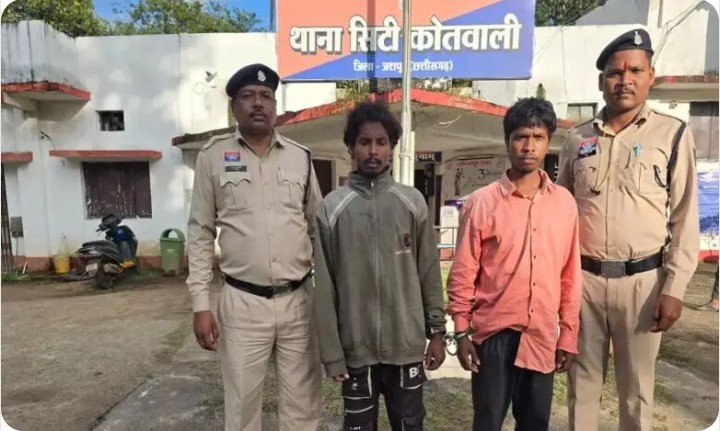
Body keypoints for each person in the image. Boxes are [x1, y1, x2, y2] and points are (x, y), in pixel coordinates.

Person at [557, 29, 700, 430]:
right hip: (584, 283)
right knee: (581, 391)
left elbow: (685, 216)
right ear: (601, 80)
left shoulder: (672, 134)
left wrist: (674, 288)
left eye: (635, 70)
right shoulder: (577, 138)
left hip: (642, 284)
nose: (625, 80)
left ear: (650, 76)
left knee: (636, 395)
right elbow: (560, 213)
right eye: (615, 72)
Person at [186, 63, 322, 431]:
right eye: (248, 96)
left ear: (275, 105)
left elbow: (317, 230)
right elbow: (200, 232)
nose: (258, 103)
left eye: (266, 96)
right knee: (242, 409)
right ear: (234, 107)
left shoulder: (300, 157)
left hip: (298, 301)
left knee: (303, 406)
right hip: (243, 304)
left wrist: (327, 298)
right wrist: (200, 305)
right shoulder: (212, 157)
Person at [447, 97, 582, 431]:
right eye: (521, 136)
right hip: (494, 335)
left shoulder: (564, 204)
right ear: (507, 141)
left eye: (538, 138)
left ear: (548, 142)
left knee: (535, 422)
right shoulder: (481, 203)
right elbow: (463, 272)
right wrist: (461, 332)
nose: (529, 147)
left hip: (541, 334)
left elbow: (570, 275)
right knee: (488, 421)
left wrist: (568, 334)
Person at [312, 101, 447, 431]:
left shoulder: (412, 203)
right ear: (351, 148)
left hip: (406, 348)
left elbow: (429, 272)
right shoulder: (332, 209)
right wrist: (332, 353)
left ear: (391, 148)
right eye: (364, 142)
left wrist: (437, 333)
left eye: (381, 142)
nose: (373, 150)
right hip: (356, 352)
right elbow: (324, 288)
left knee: (410, 424)